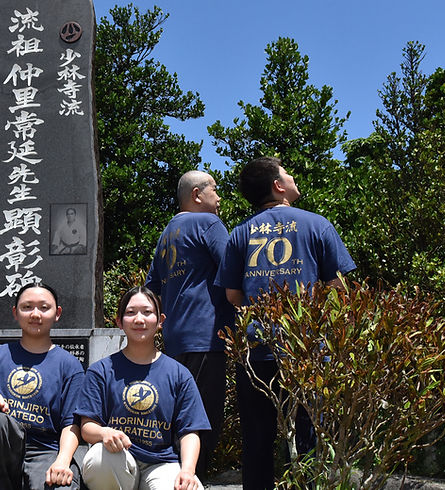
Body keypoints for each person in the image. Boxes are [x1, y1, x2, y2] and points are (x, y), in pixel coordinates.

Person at [215, 156, 356, 490]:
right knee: (310, 435)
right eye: (287, 173)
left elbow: (233, 295)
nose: (293, 178)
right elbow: (340, 289)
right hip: (305, 348)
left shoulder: (240, 233)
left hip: (255, 351)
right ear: (278, 186)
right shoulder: (317, 225)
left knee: (257, 438)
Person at [144, 170, 232, 480]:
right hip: (206, 334)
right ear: (197, 194)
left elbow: (151, 287)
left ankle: (173, 475)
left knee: (178, 412)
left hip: (173, 339)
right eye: (214, 190)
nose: (219, 198)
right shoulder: (208, 223)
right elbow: (233, 268)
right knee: (206, 415)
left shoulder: (167, 232)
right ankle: (195, 479)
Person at [76, 286, 208, 490]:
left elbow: (190, 430)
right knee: (99, 459)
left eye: (147, 312)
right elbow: (87, 426)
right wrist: (104, 433)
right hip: (118, 457)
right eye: (130, 313)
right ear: (119, 322)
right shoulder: (101, 371)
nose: (139, 319)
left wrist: (188, 471)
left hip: (161, 463)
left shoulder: (179, 374)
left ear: (160, 321)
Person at [0, 283, 85, 490]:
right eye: (27, 307)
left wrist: (63, 461)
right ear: (15, 312)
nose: (35, 314)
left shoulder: (69, 365)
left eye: (44, 307)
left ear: (57, 314)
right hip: (0, 450)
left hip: (45, 450)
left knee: (62, 485)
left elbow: (71, 423)